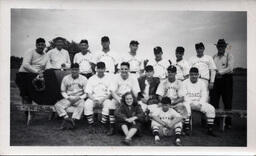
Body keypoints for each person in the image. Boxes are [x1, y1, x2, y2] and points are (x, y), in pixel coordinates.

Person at [156, 65, 190, 134]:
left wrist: (172, 103)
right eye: (169, 72)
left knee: (183, 106)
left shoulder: (180, 83)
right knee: (156, 107)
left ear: (175, 73)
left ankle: (186, 127)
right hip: (165, 103)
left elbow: (182, 98)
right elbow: (159, 96)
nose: (170, 73)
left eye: (172, 72)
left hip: (175, 103)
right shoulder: (163, 82)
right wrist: (165, 103)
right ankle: (157, 126)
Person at [182, 67, 216, 136]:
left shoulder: (202, 83)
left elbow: (204, 95)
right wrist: (191, 103)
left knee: (211, 108)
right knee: (186, 107)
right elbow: (184, 95)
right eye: (192, 74)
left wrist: (200, 104)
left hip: (199, 103)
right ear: (189, 75)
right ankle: (186, 128)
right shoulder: (184, 82)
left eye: (195, 74)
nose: (193, 76)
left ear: (198, 75)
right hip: (188, 102)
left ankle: (210, 129)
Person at [109, 62, 141, 135]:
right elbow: (112, 91)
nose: (124, 71)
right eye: (122, 69)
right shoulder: (116, 77)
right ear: (120, 69)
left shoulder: (133, 78)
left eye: (126, 69)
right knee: (111, 105)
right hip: (119, 97)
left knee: (137, 107)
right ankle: (112, 127)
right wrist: (119, 100)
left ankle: (133, 125)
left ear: (129, 70)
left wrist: (131, 100)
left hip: (129, 98)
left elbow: (136, 93)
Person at [54, 63, 87, 130]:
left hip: (79, 98)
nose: (74, 71)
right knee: (57, 105)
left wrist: (79, 97)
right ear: (70, 70)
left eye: (76, 70)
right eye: (73, 69)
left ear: (79, 70)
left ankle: (73, 119)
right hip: (69, 98)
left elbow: (86, 93)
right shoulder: (66, 78)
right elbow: (63, 91)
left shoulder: (84, 78)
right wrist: (67, 97)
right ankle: (67, 118)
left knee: (82, 105)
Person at [84, 62, 113, 134]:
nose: (100, 70)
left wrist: (102, 100)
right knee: (87, 104)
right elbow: (88, 93)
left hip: (104, 98)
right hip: (93, 98)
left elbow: (110, 93)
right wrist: (94, 100)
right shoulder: (91, 78)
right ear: (96, 69)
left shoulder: (109, 79)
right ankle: (91, 125)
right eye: (99, 68)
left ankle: (103, 124)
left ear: (105, 69)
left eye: (102, 68)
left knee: (108, 105)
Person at [16, 37, 48, 104]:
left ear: (45, 46)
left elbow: (47, 66)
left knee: (40, 92)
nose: (41, 46)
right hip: (24, 73)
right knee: (26, 95)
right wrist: (37, 71)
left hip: (36, 75)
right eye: (39, 45)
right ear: (36, 45)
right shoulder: (30, 51)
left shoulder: (46, 55)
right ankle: (27, 112)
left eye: (42, 45)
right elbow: (25, 65)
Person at [211, 39, 234, 129]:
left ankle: (228, 123)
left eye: (222, 46)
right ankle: (216, 121)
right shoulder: (214, 57)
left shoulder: (229, 55)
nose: (220, 48)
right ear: (217, 47)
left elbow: (230, 68)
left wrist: (219, 72)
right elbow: (212, 68)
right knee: (214, 101)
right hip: (216, 80)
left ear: (225, 47)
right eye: (219, 46)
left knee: (227, 101)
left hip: (226, 80)